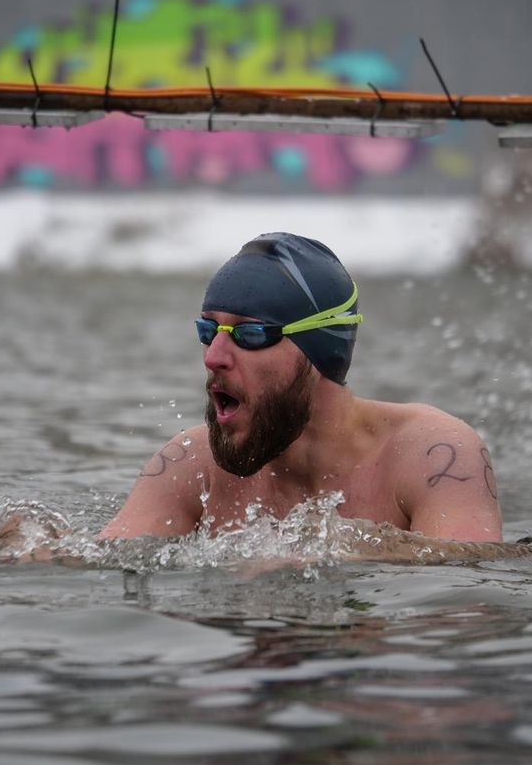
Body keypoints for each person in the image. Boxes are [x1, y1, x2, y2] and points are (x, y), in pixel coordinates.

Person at [98, 232, 504, 545]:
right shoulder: (191, 463)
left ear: (319, 349)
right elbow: (106, 568)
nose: (214, 356)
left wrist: (341, 554)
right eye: (209, 330)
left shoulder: (432, 453)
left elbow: (466, 593)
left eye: (251, 334)